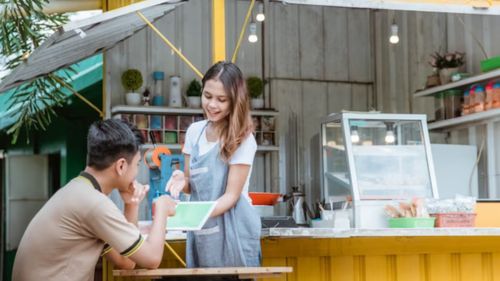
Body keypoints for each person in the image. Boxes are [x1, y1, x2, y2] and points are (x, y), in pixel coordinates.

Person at [12, 119, 177, 281]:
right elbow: (152, 259)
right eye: (137, 165)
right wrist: (161, 209)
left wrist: (131, 205)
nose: (136, 172)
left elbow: (126, 262)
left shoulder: (78, 190)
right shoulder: (94, 204)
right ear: (121, 166)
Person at [167, 61, 261, 267]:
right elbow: (193, 185)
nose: (212, 105)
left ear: (235, 102)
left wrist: (192, 215)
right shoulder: (194, 132)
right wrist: (181, 181)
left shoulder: (243, 139)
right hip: (203, 231)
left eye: (221, 100)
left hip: (235, 229)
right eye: (207, 96)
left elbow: (231, 196)